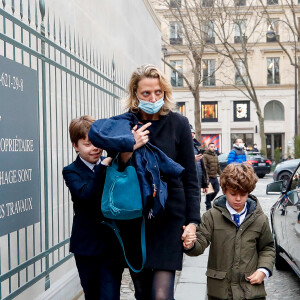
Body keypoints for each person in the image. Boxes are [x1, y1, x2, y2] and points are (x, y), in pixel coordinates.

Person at [89, 64, 200, 300]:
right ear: (135, 94)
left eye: (158, 92)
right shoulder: (124, 125)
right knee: (141, 292)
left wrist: (193, 222)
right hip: (135, 217)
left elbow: (190, 176)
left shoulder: (178, 123)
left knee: (161, 294)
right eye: (146, 93)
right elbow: (116, 171)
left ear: (165, 93)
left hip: (170, 216)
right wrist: (129, 145)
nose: (153, 98)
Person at [183, 164, 275, 300]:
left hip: (251, 291)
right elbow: (201, 241)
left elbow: (267, 247)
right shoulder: (212, 216)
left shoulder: (260, 219)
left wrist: (263, 270)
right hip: (220, 292)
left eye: (243, 194)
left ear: (249, 192)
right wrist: (191, 244)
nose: (238, 199)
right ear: (224, 190)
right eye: (233, 194)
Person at [62, 116, 124, 300]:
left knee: (111, 295)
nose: (95, 148)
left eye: (97, 142)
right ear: (75, 145)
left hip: (112, 245)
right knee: (93, 294)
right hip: (87, 247)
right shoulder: (71, 171)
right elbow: (86, 195)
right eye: (87, 144)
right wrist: (102, 167)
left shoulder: (113, 162)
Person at [202, 142, 222, 210]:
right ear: (208, 147)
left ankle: (208, 201)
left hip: (214, 177)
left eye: (214, 147)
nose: (213, 148)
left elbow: (218, 166)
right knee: (209, 192)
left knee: (217, 190)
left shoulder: (215, 155)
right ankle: (208, 205)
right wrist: (206, 177)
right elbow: (204, 166)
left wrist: (221, 175)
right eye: (211, 147)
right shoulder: (205, 155)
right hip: (209, 177)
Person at [191, 127, 208, 198]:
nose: (192, 134)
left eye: (193, 132)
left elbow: (202, 167)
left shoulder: (196, 146)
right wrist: (191, 159)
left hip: (198, 183)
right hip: (189, 184)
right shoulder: (181, 146)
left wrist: (204, 184)